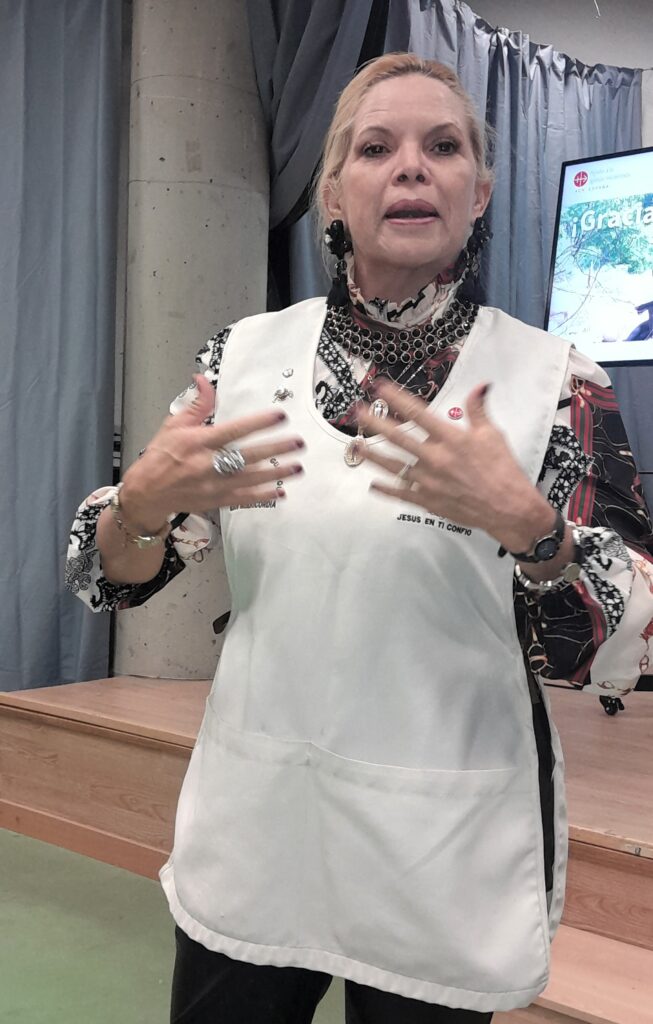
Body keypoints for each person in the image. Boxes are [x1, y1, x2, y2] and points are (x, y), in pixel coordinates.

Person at [66, 53, 653, 1023]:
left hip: (440, 852)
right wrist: (139, 505)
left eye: (443, 146)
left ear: (478, 190)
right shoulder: (240, 361)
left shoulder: (554, 382)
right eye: (375, 148)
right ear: (332, 193)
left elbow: (621, 647)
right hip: (257, 832)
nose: (410, 166)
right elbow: (116, 575)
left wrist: (532, 529)